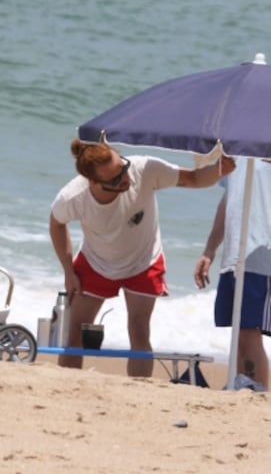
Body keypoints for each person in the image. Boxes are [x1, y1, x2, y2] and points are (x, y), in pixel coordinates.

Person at [49, 139, 235, 377]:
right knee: (75, 332)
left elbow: (194, 178)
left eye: (123, 168)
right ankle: (68, 387)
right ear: (94, 182)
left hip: (143, 260)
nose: (126, 178)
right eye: (116, 179)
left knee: (139, 329)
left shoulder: (144, 169)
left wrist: (220, 169)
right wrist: (68, 270)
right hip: (96, 262)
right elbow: (56, 224)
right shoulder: (73, 197)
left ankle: (139, 389)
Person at [194, 158, 270, 390]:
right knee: (239, 330)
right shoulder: (238, 153)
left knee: (249, 330)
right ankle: (241, 389)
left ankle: (257, 395)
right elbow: (229, 202)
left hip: (262, 255)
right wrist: (209, 249)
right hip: (234, 256)